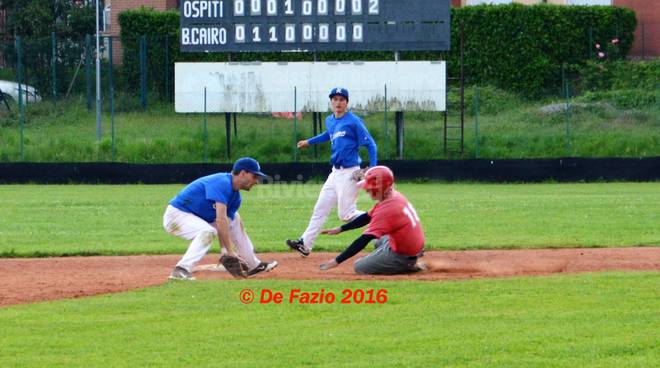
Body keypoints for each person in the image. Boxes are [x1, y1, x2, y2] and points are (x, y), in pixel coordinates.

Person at [286, 87, 378, 256]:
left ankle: (381, 218)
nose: (338, 102)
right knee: (320, 209)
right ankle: (305, 244)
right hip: (335, 173)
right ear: (331, 102)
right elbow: (328, 134)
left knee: (346, 215)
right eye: (335, 99)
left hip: (350, 173)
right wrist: (309, 141)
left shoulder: (353, 121)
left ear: (347, 103)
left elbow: (371, 144)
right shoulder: (330, 120)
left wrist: (373, 169)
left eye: (341, 99)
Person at [163, 157, 278, 280]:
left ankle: (253, 265)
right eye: (254, 176)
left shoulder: (236, 198)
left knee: (235, 219)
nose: (257, 181)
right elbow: (220, 219)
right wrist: (230, 251)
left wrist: (224, 251)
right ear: (243, 173)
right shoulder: (222, 182)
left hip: (195, 217)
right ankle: (181, 270)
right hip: (176, 216)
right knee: (207, 232)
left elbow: (225, 223)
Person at [318, 166, 425, 275]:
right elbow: (367, 217)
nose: (367, 190)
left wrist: (336, 261)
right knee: (378, 239)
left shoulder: (388, 208)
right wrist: (340, 229)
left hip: (403, 255)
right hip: (412, 246)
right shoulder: (393, 196)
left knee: (359, 266)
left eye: (370, 188)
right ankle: (399, 259)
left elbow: (364, 239)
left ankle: (407, 266)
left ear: (380, 188)